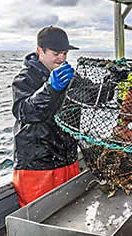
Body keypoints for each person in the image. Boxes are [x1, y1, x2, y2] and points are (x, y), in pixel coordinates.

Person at [11, 26, 80, 207]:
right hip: (37, 168)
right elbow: (23, 111)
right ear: (40, 51)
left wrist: (111, 83)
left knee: (72, 214)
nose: (62, 58)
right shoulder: (24, 79)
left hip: (68, 160)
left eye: (65, 53)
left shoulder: (69, 75)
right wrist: (50, 89)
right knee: (39, 220)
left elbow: (92, 96)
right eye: (56, 53)